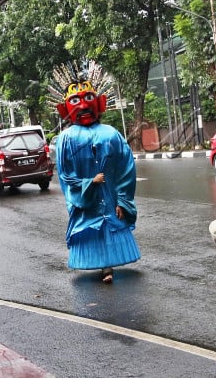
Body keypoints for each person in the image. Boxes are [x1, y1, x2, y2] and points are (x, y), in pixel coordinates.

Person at [52, 64, 140, 284]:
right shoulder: (66, 139)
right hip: (86, 199)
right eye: (75, 101)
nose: (83, 105)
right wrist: (88, 183)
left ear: (100, 103)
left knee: (111, 225)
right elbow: (65, 176)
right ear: (64, 109)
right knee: (90, 228)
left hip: (110, 197)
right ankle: (102, 266)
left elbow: (126, 169)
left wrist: (122, 199)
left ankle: (107, 267)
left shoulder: (111, 134)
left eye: (88, 98)